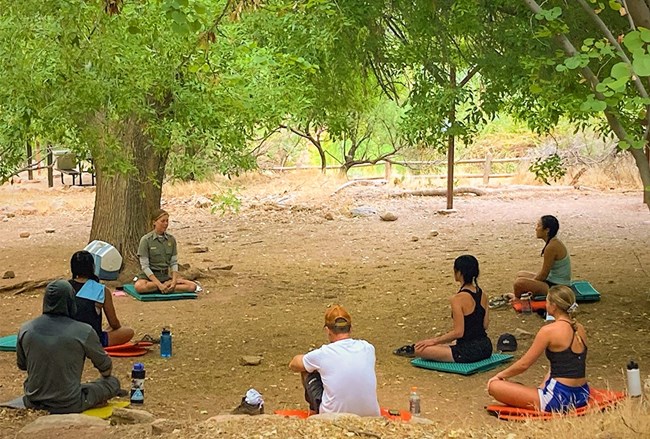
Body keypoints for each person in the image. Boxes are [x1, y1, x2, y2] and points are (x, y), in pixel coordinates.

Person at [16, 280, 122, 413]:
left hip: (34, 399)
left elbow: (22, 365)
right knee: (113, 383)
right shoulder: (84, 331)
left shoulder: (26, 329)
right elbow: (106, 369)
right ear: (71, 301)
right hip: (69, 402)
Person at [487, 285, 589, 412]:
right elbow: (567, 364)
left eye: (546, 301)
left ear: (554, 306)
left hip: (559, 398)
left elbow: (524, 364)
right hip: (582, 394)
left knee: (494, 386)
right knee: (556, 365)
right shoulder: (579, 328)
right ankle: (536, 392)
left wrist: (499, 375)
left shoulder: (548, 331)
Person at [289, 305, 380, 416]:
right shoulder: (368, 348)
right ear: (351, 328)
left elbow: (294, 364)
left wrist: (311, 359)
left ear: (327, 330)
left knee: (307, 369)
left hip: (333, 415)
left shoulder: (323, 353)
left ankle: (314, 412)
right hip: (371, 415)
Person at [397, 255, 492, 363]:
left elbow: (458, 332)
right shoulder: (483, 295)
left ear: (459, 273)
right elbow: (485, 325)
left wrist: (434, 341)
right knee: (446, 344)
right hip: (486, 347)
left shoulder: (457, 299)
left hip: (468, 352)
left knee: (421, 349)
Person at [69, 250, 134, 347]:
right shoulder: (101, 290)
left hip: (67, 337)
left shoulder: (64, 287)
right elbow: (114, 323)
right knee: (128, 332)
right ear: (92, 267)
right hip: (91, 339)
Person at [134, 209, 199, 293]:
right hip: (149, 277)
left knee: (192, 286)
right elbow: (145, 266)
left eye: (167, 221)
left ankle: (166, 287)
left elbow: (174, 262)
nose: (165, 224)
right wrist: (158, 284)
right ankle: (163, 287)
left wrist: (174, 281)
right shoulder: (146, 240)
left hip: (165, 276)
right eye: (162, 221)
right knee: (140, 287)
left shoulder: (171, 240)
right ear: (154, 222)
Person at [512, 215, 571, 298]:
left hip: (558, 287)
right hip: (552, 281)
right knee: (520, 274)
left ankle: (517, 299)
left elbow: (543, 275)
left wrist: (531, 284)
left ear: (547, 230)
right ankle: (523, 295)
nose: (536, 229)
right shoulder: (553, 242)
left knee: (519, 283)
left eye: (539, 226)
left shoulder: (552, 247)